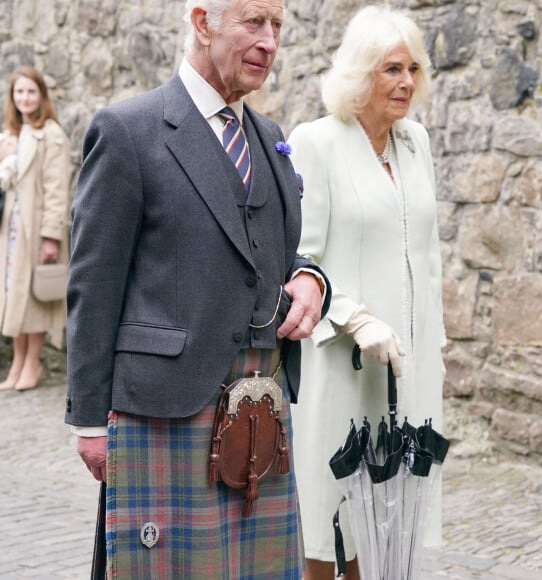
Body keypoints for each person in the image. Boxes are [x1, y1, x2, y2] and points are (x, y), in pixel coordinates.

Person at [65, 0, 330, 578]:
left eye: (277, 27)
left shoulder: (268, 135)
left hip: (262, 414)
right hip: (165, 409)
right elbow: (94, 279)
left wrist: (311, 278)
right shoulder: (129, 129)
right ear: (203, 21)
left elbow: (268, 249)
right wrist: (88, 420)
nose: (269, 42)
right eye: (253, 23)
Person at [287, 6, 446, 579]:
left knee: (393, 519)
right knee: (334, 516)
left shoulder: (415, 143)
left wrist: (434, 342)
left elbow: (427, 252)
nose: (405, 82)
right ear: (360, 74)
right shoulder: (318, 143)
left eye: (412, 69)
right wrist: (355, 318)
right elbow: (299, 259)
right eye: (390, 70)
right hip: (342, 362)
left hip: (409, 366)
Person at [0, 66, 71, 392]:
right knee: (13, 297)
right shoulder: (12, 134)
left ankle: (33, 362)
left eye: (31, 92)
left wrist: (50, 236)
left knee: (35, 297)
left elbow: (58, 188)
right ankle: (17, 361)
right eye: (19, 92)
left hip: (36, 227)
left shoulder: (51, 134)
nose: (25, 98)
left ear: (41, 96)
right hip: (11, 227)